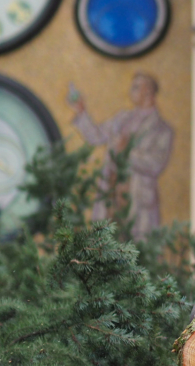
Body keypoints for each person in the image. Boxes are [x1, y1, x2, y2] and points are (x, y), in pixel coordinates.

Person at [69, 72, 174, 241]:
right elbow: (96, 136)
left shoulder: (162, 129)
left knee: (137, 250)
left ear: (148, 92)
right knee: (106, 245)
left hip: (137, 197)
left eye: (135, 87)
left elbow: (156, 164)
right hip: (111, 195)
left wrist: (127, 152)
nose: (130, 91)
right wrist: (81, 112)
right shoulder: (123, 118)